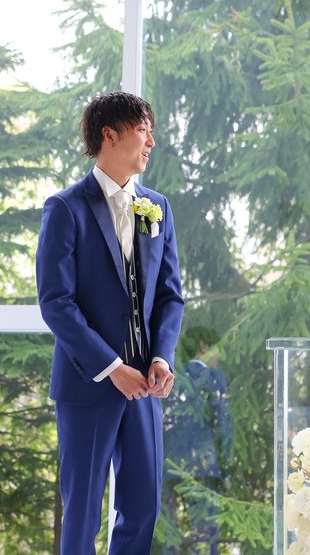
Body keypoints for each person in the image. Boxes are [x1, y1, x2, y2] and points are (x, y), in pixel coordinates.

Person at [36, 91, 184, 554]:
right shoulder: (65, 208)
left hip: (144, 386)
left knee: (143, 507)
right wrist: (111, 367)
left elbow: (170, 295)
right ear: (110, 134)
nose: (151, 142)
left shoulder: (157, 206)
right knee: (82, 511)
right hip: (88, 385)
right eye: (143, 131)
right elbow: (56, 302)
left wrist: (160, 357)